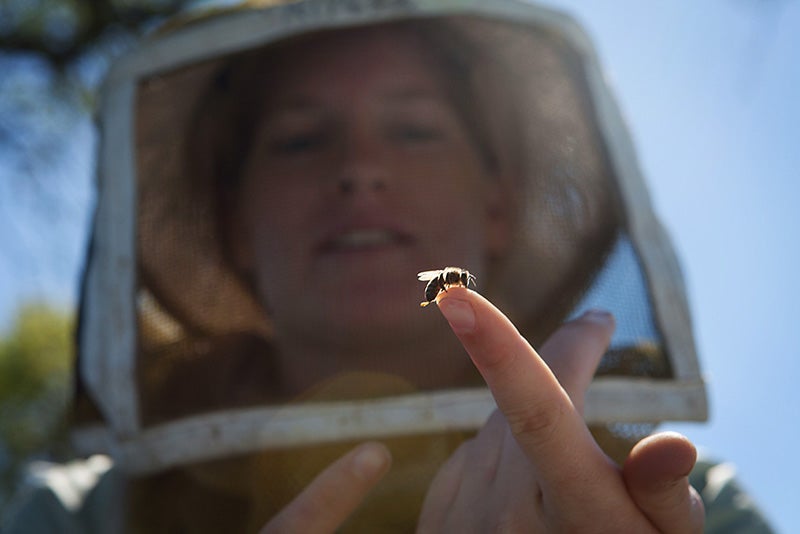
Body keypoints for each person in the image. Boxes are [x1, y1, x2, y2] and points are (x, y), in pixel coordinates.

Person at [2, 1, 773, 532]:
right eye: (301, 139)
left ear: (497, 205)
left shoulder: (673, 496)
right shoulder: (81, 517)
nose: (359, 169)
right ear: (236, 223)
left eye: (414, 129)